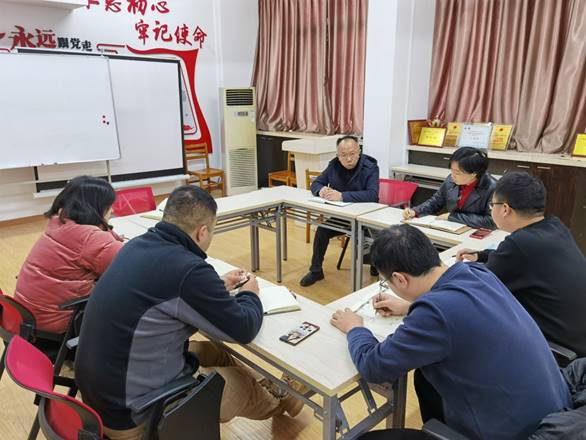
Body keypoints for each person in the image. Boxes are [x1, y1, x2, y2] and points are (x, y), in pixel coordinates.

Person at [75, 185, 303, 440]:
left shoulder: (136, 246)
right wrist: (250, 293)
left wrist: (215, 286)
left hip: (99, 399)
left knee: (214, 351)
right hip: (133, 415)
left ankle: (279, 392)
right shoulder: (188, 269)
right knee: (240, 382)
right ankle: (281, 403)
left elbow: (165, 289)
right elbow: (243, 328)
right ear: (202, 231)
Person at [330, 224, 570, 439]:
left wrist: (355, 328)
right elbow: (461, 315)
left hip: (515, 432)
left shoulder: (434, 314)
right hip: (557, 417)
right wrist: (410, 307)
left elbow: (374, 366)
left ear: (400, 279)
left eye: (387, 283)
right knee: (425, 376)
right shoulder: (476, 272)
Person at [456, 171, 586, 357]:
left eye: (492, 205)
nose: (492, 209)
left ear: (505, 209)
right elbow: (520, 262)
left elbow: (477, 286)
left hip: (559, 352)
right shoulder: (554, 226)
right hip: (577, 338)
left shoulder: (519, 244)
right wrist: (482, 256)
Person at [14, 176, 123, 338]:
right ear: (97, 206)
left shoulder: (60, 222)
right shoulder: (90, 238)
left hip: (29, 316)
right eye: (109, 206)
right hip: (57, 322)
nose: (112, 210)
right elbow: (128, 265)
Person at [300, 135, 379, 286]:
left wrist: (342, 196)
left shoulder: (370, 167)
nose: (348, 159)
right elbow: (316, 183)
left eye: (352, 154)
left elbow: (372, 194)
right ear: (338, 155)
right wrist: (321, 190)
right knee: (322, 230)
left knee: (372, 237)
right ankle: (316, 271)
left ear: (359, 151)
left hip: (366, 217)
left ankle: (375, 264)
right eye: (343, 155)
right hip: (344, 216)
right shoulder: (334, 165)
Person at [403, 147, 496, 229]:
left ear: (474, 174)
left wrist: (452, 217)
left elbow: (491, 221)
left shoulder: (492, 188)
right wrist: (415, 211)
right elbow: (435, 202)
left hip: (477, 233)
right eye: (451, 170)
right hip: (452, 229)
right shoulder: (451, 180)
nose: (452, 175)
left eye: (457, 173)